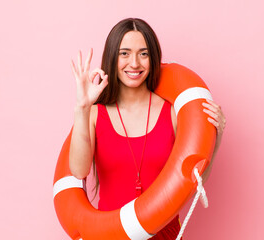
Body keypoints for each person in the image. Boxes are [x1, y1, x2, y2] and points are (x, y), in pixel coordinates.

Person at [69, 18, 226, 239]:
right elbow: (78, 170)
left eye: (143, 54)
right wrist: (82, 107)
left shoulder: (171, 113)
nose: (134, 63)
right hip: (111, 236)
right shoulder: (95, 114)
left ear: (153, 59)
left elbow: (193, 182)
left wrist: (215, 142)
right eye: (124, 53)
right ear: (112, 58)